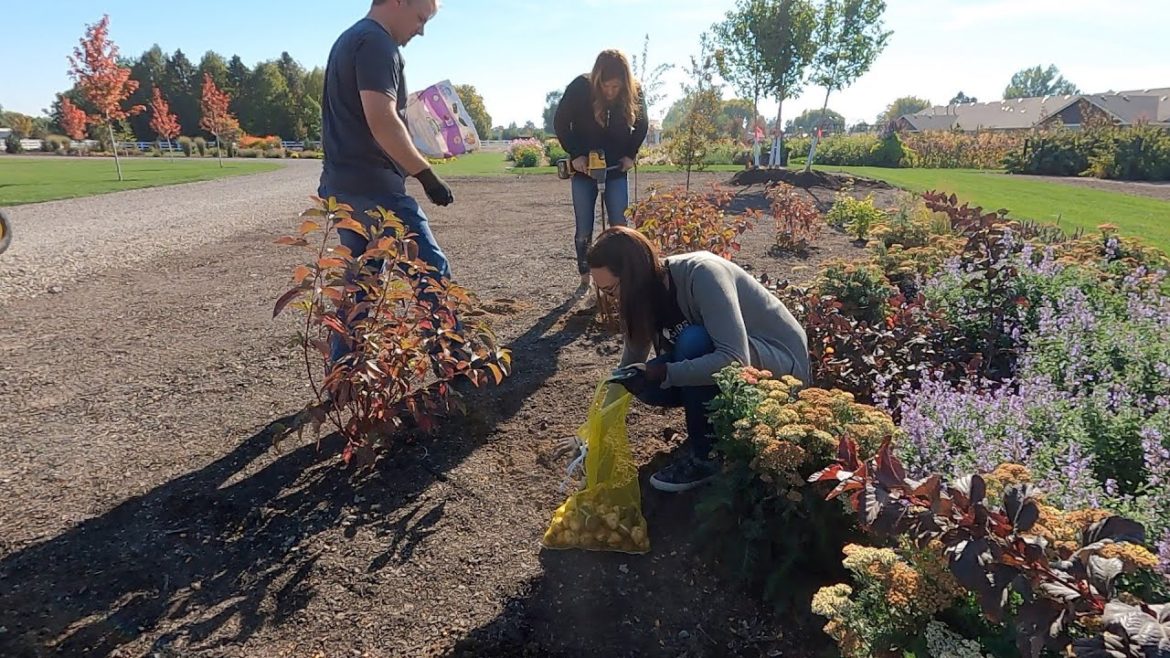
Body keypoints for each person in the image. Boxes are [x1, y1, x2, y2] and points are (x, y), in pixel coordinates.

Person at [586, 227, 811, 492]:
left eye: (611, 290)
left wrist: (665, 372)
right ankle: (711, 432)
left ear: (632, 276)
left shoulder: (702, 274)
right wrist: (595, 435)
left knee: (692, 342)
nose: (613, 300)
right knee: (643, 382)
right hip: (735, 364)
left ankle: (705, 458)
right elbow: (628, 365)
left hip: (781, 368)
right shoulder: (646, 296)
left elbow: (734, 360)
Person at [318, 0, 456, 366]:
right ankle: (455, 362)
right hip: (375, 190)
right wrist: (426, 175)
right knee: (430, 271)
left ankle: (344, 374)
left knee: (360, 285)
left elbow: (368, 118)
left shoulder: (350, 39)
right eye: (420, 18)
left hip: (342, 185)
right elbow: (381, 120)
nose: (420, 30)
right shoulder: (378, 43)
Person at [554, 50, 649, 289]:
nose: (610, 92)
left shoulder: (635, 91)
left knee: (619, 225)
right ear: (597, 80)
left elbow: (642, 124)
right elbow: (561, 122)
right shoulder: (579, 88)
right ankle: (585, 276)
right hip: (584, 170)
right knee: (584, 227)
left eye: (616, 87)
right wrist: (576, 154)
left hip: (616, 168)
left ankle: (620, 277)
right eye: (606, 86)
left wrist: (631, 154)